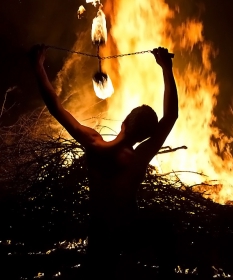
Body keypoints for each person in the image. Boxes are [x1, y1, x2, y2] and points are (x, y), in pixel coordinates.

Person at [31, 44, 178, 279]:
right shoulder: (139, 157)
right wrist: (166, 68)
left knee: (98, 272)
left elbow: (56, 108)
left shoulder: (94, 144)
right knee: (163, 230)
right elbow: (171, 117)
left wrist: (38, 66)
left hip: (100, 230)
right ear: (144, 137)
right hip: (128, 230)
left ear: (123, 123)